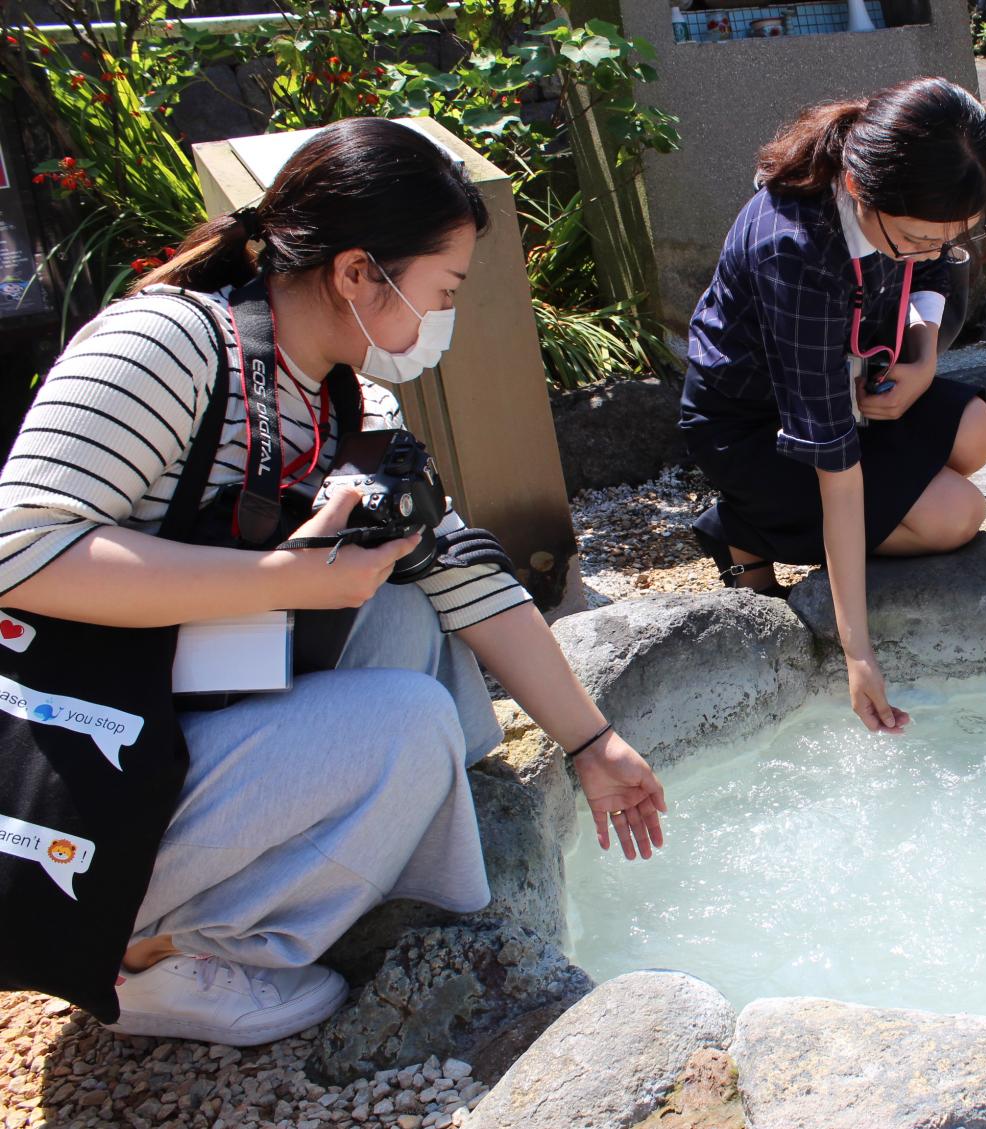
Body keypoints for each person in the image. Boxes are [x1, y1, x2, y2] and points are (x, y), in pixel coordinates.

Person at [0, 118, 666, 1046]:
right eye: (442, 290)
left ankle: (348, 861)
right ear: (358, 271)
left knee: (410, 611)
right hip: (83, 779)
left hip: (185, 704)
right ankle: (158, 953)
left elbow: (464, 569)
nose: (444, 319)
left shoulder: (346, 394)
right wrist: (282, 578)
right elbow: (18, 551)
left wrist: (594, 742)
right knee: (409, 718)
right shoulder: (167, 345)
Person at [680, 77, 986, 734]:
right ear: (859, 189)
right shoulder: (792, 248)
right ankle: (744, 527)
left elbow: (930, 269)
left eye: (952, 237)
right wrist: (858, 653)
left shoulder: (907, 200)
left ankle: (783, 524)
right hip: (754, 429)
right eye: (915, 237)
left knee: (976, 431)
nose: (933, 251)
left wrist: (921, 357)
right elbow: (836, 468)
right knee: (955, 514)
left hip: (853, 379)